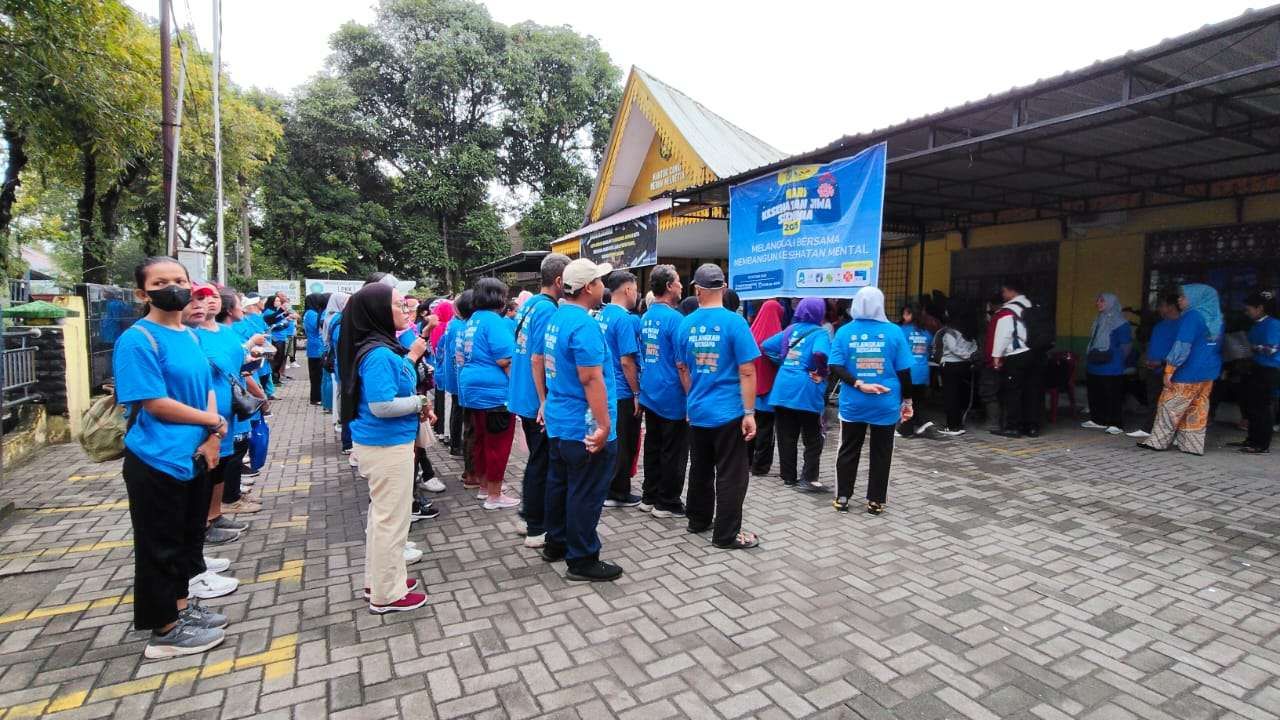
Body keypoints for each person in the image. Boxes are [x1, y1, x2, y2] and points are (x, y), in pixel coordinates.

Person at [114, 257, 230, 659]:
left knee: (184, 539)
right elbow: (154, 402)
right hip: (157, 459)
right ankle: (163, 629)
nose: (173, 288)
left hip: (195, 455)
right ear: (142, 294)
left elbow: (207, 387)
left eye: (179, 280)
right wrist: (212, 421)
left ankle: (181, 609)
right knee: (159, 545)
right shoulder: (138, 340)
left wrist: (213, 435)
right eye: (161, 282)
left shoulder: (190, 336)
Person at [338, 282, 430, 613]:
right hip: (386, 445)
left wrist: (412, 358)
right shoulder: (377, 354)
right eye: (397, 304)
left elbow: (394, 383)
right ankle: (387, 594)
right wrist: (420, 401)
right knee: (391, 521)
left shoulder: (378, 347)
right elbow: (382, 405)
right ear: (377, 311)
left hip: (384, 443)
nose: (405, 310)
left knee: (384, 519)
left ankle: (379, 580)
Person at [540, 259, 623, 581]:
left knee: (560, 485)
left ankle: (556, 542)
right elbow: (591, 378)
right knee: (585, 492)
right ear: (589, 287)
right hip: (583, 424)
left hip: (562, 420)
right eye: (600, 281)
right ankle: (583, 559)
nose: (604, 286)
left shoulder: (557, 317)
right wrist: (603, 425)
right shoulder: (583, 325)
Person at [676, 264, 761, 550]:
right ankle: (726, 535)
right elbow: (747, 370)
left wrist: (692, 399)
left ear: (697, 290)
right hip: (729, 411)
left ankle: (698, 519)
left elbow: (683, 368)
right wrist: (749, 413)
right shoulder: (735, 323)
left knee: (700, 467)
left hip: (698, 409)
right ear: (723, 288)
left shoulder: (685, 324)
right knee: (731, 473)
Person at [829, 287, 915, 515]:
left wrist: (858, 383)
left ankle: (843, 497)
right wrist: (908, 402)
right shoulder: (894, 332)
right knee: (882, 452)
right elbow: (904, 372)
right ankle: (875, 501)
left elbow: (835, 366)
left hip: (853, 401)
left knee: (848, 449)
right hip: (885, 401)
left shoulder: (844, 332)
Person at [188, 284, 258, 562]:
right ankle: (203, 523)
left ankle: (215, 515)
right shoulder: (192, 335)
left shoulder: (227, 332)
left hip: (228, 411)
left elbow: (238, 362)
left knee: (222, 464)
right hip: (205, 413)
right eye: (201, 298)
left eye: (214, 297)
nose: (210, 303)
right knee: (206, 469)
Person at [508, 254, 569, 547]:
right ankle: (535, 526)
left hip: (523, 392)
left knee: (537, 459)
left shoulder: (530, 304)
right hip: (536, 398)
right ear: (559, 281)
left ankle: (528, 516)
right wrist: (545, 401)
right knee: (541, 462)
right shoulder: (547, 309)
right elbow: (538, 358)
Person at [1140, 284, 1223, 456]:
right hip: (1208, 372)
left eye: (1183, 297)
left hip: (1188, 372)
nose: (1179, 300)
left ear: (1196, 298)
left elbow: (1182, 345)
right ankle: (1192, 445)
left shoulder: (1192, 316)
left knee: (1169, 406)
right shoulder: (1217, 318)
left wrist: (1169, 369)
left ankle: (1158, 442)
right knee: (1197, 409)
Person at [459, 278, 518, 509]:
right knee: (498, 444)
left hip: (472, 390)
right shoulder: (494, 321)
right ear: (498, 297)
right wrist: (519, 391)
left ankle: (485, 487)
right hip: (494, 393)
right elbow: (505, 360)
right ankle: (495, 495)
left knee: (482, 441)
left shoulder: (472, 320)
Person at [760, 297, 830, 493]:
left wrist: (782, 360)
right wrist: (821, 372)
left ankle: (788, 477)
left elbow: (766, 345)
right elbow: (821, 354)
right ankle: (808, 478)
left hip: (782, 388)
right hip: (806, 389)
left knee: (786, 436)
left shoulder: (790, 330)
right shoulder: (820, 333)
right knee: (813, 438)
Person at [638, 265, 689, 518]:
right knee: (673, 451)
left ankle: (649, 496)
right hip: (672, 395)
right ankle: (667, 502)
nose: (681, 286)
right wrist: (691, 395)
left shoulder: (646, 317)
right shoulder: (676, 320)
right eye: (678, 282)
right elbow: (682, 365)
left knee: (653, 446)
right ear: (669, 286)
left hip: (651, 392)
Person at [600, 270, 644, 508]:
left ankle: (607, 486)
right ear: (628, 290)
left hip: (605, 388)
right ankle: (618, 492)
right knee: (625, 442)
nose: (636, 294)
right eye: (635, 289)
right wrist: (636, 392)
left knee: (611, 441)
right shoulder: (624, 319)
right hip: (622, 391)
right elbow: (627, 361)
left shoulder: (602, 315)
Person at [986, 282, 1036, 438]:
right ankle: (1031, 427)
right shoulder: (1030, 305)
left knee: (1013, 393)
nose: (1002, 295)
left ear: (1011, 291)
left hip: (1015, 355)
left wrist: (996, 357)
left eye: (1004, 291)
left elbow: (1003, 336)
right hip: (1033, 353)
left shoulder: (1007, 311)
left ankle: (1013, 427)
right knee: (1029, 391)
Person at [1129, 293, 1181, 439]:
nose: (1159, 309)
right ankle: (1149, 428)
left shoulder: (1182, 325)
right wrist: (1149, 360)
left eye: (1162, 305)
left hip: (1170, 369)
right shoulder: (1159, 325)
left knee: (1172, 402)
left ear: (1171, 307)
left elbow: (1180, 350)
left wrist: (1163, 362)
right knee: (1153, 400)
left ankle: (1173, 433)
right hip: (1153, 368)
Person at [1081, 293, 1133, 435]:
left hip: (1111, 365)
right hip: (1094, 362)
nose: (1098, 303)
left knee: (1112, 394)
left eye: (1102, 301)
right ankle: (1098, 420)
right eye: (1098, 300)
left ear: (1111, 302)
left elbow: (1126, 346)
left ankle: (1116, 423)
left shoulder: (1120, 322)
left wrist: (1117, 359)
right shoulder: (1098, 319)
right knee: (1095, 392)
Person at [1234, 291, 1279, 453]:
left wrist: (1251, 347)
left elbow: (1272, 349)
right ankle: (1252, 439)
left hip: (1268, 369)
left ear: (1260, 308)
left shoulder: (1273, 324)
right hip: (1255, 368)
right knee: (1251, 405)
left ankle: (1261, 444)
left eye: (1249, 309)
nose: (1247, 312)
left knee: (1262, 407)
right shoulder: (1256, 325)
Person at [747, 299, 784, 477]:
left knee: (749, 428)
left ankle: (746, 461)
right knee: (766, 430)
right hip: (769, 392)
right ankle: (760, 466)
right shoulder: (777, 335)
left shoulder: (751, 332)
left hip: (751, 391)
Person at [934, 303, 979, 435]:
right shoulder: (968, 329)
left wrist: (965, 355)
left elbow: (953, 348)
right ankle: (958, 424)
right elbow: (974, 348)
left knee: (950, 397)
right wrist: (969, 357)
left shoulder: (950, 331)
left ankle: (952, 426)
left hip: (950, 365)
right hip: (964, 366)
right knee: (959, 395)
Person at [898, 302, 935, 437]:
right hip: (923, 370)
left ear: (910, 314)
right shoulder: (927, 333)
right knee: (918, 400)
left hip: (908, 371)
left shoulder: (903, 331)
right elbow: (929, 350)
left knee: (907, 400)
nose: (903, 316)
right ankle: (920, 423)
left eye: (905, 314)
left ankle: (906, 429)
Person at [302, 293, 328, 406]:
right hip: (316, 347)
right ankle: (316, 398)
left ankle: (317, 396)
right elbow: (317, 328)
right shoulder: (312, 314)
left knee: (316, 374)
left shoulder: (308, 313)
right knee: (317, 375)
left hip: (313, 346)